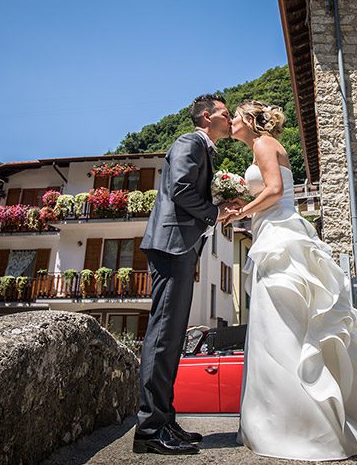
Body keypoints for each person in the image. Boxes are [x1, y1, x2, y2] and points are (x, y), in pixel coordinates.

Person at [227, 101, 357, 461]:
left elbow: (274, 190)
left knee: (281, 329)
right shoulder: (267, 146)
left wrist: (239, 211)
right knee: (286, 326)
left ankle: (295, 425)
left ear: (248, 120)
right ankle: (296, 420)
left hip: (279, 237)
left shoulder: (262, 143)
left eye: (235, 116)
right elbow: (273, 190)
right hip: (278, 232)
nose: (231, 121)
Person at [134, 94, 242, 455]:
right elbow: (180, 189)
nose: (230, 119)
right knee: (164, 335)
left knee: (173, 335)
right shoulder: (189, 142)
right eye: (226, 114)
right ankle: (149, 430)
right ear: (208, 116)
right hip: (171, 246)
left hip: (181, 247)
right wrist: (215, 212)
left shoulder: (205, 148)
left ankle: (163, 419)